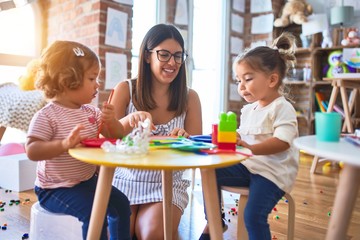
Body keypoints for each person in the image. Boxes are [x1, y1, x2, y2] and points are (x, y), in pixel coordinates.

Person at [25, 40, 145, 240]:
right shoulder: (47, 116)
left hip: (86, 181)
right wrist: (64, 145)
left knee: (121, 204)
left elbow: (114, 134)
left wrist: (111, 120)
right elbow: (32, 149)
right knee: (93, 212)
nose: (97, 84)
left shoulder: (91, 112)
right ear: (66, 81)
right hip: (55, 188)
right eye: (92, 78)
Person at [199, 32, 299, 240]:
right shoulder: (249, 110)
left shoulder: (282, 108)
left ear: (272, 80)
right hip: (249, 166)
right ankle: (215, 222)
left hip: (272, 173)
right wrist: (226, 136)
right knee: (210, 170)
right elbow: (244, 136)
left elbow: (282, 142)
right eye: (239, 80)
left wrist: (248, 148)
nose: (241, 86)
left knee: (252, 216)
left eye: (248, 78)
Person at [110, 23, 202, 240]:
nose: (172, 62)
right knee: (117, 232)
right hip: (124, 179)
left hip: (168, 184)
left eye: (178, 56)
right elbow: (107, 137)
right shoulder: (126, 89)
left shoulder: (190, 98)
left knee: (151, 233)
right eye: (164, 54)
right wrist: (127, 121)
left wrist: (182, 141)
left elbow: (195, 151)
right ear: (147, 56)